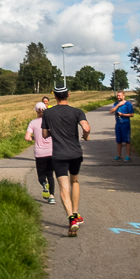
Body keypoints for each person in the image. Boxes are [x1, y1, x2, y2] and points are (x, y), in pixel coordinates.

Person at [41, 86, 91, 237]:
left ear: (55, 97)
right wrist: (85, 136)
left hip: (59, 155)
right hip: (75, 153)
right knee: (74, 181)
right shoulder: (77, 111)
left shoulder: (48, 113)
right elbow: (86, 128)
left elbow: (44, 134)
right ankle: (75, 214)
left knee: (63, 188)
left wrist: (54, 131)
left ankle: (71, 218)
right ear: (68, 95)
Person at [25, 102, 55, 204]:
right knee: (50, 175)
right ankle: (52, 197)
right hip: (51, 152)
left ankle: (43, 183)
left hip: (40, 153)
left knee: (41, 175)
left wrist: (34, 137)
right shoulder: (51, 121)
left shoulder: (33, 123)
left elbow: (27, 138)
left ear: (36, 111)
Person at [110, 91, 134, 161]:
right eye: (117, 96)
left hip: (125, 123)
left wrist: (122, 114)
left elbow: (131, 114)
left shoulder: (128, 104)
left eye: (119, 96)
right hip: (118, 124)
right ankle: (119, 155)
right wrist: (118, 105)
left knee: (127, 140)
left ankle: (128, 156)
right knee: (118, 140)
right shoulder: (116, 104)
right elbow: (111, 111)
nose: (118, 97)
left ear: (123, 96)